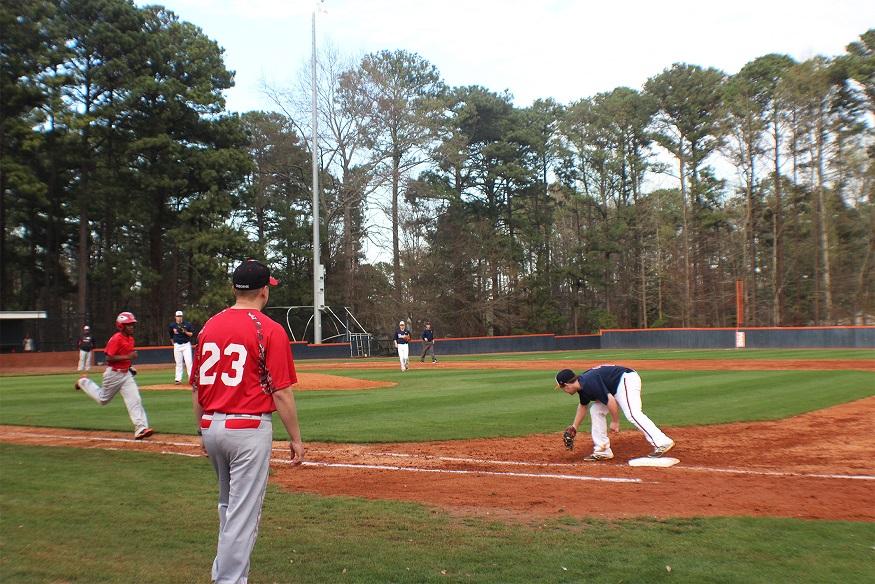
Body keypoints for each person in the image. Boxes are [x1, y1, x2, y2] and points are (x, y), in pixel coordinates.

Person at [192, 259, 304, 584]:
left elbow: (197, 388)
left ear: (234, 289)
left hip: (211, 425)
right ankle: (229, 580)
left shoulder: (209, 326)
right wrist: (296, 438)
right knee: (242, 514)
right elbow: (281, 392)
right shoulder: (269, 329)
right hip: (247, 430)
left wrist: (201, 430)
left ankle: (222, 574)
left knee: (227, 506)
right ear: (264, 291)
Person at [555, 365, 674, 461]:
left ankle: (662, 442)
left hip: (625, 379)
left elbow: (610, 400)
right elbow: (583, 406)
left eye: (562, 388)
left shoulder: (588, 383)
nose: (564, 391)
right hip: (615, 386)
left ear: (566, 385)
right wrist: (574, 426)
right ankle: (602, 451)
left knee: (632, 413)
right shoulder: (582, 385)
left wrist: (615, 421)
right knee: (595, 410)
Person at [75, 312, 154, 440]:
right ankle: (83, 382)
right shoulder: (116, 339)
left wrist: (129, 366)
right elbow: (108, 358)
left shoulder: (130, 339)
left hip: (126, 375)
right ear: (121, 326)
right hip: (113, 374)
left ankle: (141, 428)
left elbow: (126, 357)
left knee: (135, 400)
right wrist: (128, 357)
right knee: (103, 399)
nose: (132, 327)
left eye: (132, 324)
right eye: (128, 325)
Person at [169, 309, 195, 384]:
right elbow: (171, 335)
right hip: (177, 345)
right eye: (178, 316)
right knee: (178, 363)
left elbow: (191, 334)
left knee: (189, 362)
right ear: (175, 317)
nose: (179, 317)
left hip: (186, 345)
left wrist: (185, 331)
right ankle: (178, 379)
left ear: (182, 317)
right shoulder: (172, 325)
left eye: (180, 316)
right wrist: (174, 343)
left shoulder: (187, 324)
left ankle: (191, 379)